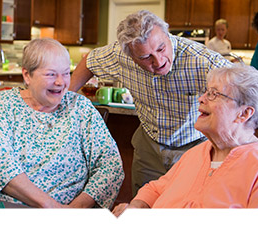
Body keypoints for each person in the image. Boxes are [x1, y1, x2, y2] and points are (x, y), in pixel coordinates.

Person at [69, 10, 234, 196]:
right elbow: (89, 61)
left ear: (167, 33)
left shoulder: (204, 61)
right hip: (148, 146)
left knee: (186, 206)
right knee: (143, 204)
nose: (159, 61)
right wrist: (64, 102)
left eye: (161, 48)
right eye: (146, 57)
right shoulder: (119, 53)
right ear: (130, 55)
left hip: (193, 146)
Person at [0, 38, 124, 208]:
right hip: (2, 204)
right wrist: (50, 207)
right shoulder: (5, 103)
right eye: (51, 74)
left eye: (65, 73)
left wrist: (75, 210)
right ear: (27, 75)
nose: (60, 82)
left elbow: (110, 165)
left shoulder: (80, 108)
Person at [112, 64, 258, 216]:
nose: (201, 98)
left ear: (244, 113)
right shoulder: (199, 152)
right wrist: (135, 208)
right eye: (206, 91)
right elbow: (156, 189)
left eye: (213, 94)